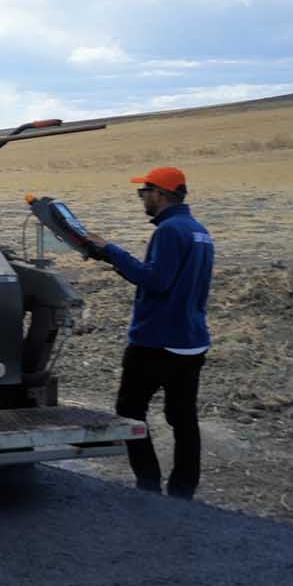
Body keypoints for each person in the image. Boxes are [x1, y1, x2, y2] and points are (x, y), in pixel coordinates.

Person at [78, 165, 215, 500]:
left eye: (144, 192)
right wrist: (117, 262)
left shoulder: (169, 231)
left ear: (161, 194)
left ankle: (148, 483)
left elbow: (156, 281)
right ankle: (183, 491)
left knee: (129, 409)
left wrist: (111, 250)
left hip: (157, 342)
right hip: (190, 341)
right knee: (183, 418)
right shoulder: (199, 231)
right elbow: (165, 281)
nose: (141, 198)